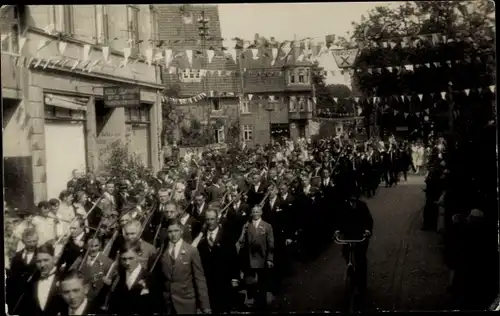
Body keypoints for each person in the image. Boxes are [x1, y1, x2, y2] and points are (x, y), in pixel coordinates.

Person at [154, 218, 211, 314]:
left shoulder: (191, 251)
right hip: (167, 302)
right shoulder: (162, 251)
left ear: (181, 230)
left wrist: (205, 305)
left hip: (186, 301)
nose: (173, 234)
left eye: (176, 230)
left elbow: (199, 278)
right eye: (170, 231)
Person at [196, 208, 240, 313]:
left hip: (224, 279)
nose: (210, 222)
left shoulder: (226, 236)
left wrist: (235, 278)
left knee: (223, 307)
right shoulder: (200, 239)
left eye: (212, 219)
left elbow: (234, 258)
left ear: (217, 219)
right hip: (207, 280)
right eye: (207, 219)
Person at [334, 191, 373, 293]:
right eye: (351, 200)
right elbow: (339, 220)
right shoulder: (344, 207)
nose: (353, 202)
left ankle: (362, 284)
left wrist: (368, 231)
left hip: (360, 236)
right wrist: (337, 230)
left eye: (354, 199)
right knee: (347, 254)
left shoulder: (362, 206)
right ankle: (351, 272)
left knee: (361, 258)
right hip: (349, 235)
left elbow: (369, 220)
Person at [237, 205, 274, 311]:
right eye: (253, 212)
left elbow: (271, 244)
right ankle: (252, 302)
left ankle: (261, 304)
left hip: (262, 257)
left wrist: (270, 259)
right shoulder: (247, 226)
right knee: (250, 281)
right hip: (249, 258)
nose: (255, 214)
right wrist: (243, 233)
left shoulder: (267, 226)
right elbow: (241, 243)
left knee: (262, 283)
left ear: (261, 213)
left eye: (257, 212)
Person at [103, 241, 154, 314]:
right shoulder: (118, 277)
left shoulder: (149, 278)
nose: (127, 263)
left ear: (139, 255)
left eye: (131, 258)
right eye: (124, 259)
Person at [16, 243, 66, 316]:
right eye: (38, 261)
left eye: (46, 260)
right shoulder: (32, 282)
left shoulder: (63, 278)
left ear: (54, 259)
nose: (42, 265)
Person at [6, 228, 39, 312]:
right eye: (29, 242)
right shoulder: (17, 256)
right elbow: (12, 278)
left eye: (34, 241)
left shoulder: (41, 254)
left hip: (36, 294)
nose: (32, 244)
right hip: (20, 295)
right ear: (23, 242)